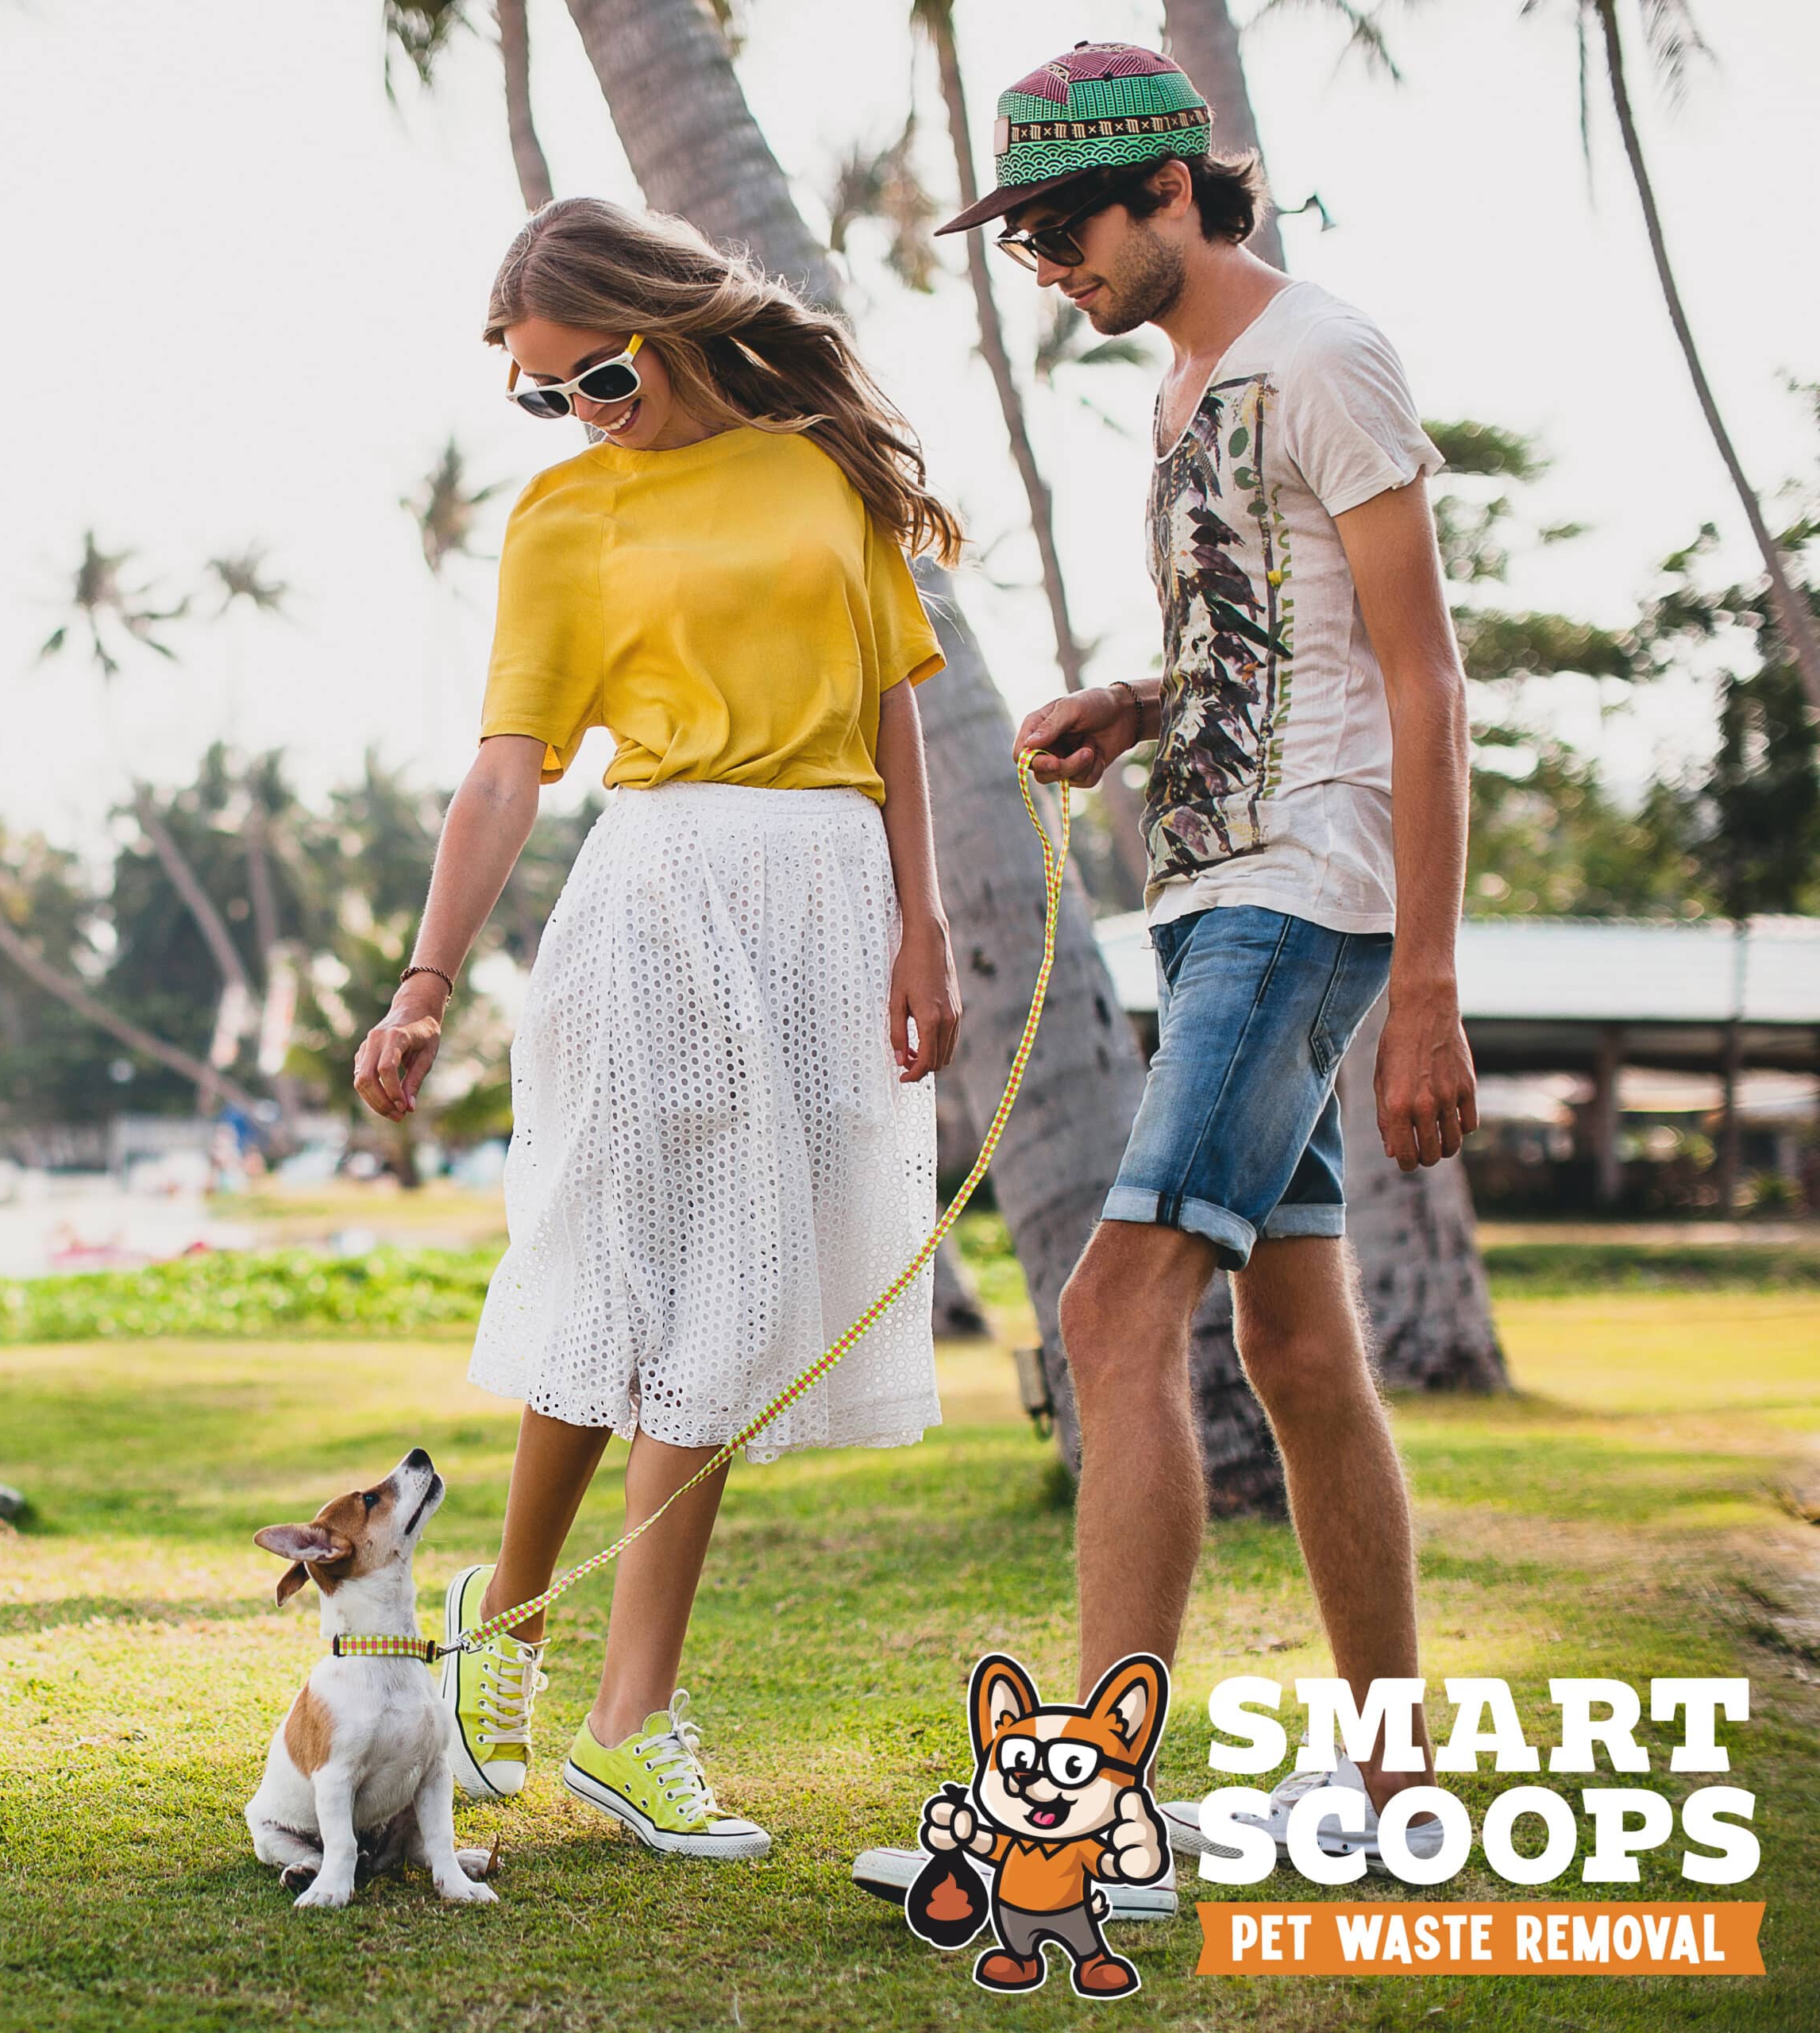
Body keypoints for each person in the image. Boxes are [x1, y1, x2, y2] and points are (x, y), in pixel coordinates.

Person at [861, 40, 1479, 1900]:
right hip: (1214, 890)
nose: (1046, 266)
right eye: (1025, 239)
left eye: (1064, 228)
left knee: (1110, 1310)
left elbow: (1422, 678)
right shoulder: (1188, 388)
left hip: (1303, 891)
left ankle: (1088, 1814)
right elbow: (1264, 635)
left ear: (1169, 191)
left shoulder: (1325, 355)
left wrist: (1426, 987)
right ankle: (1396, 1790)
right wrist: (1136, 706)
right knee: (1294, 1346)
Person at [353, 197, 962, 1862]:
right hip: (660, 897)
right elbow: (507, 768)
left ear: (668, 326)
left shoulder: (819, 470)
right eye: (544, 394)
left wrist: (922, 922)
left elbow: (892, 708)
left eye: (600, 377)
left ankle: (545, 1653)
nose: (581, 413)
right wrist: (423, 981)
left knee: (725, 1290)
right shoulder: (565, 516)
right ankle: (587, 1684)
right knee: (634, 1281)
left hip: (827, 899)